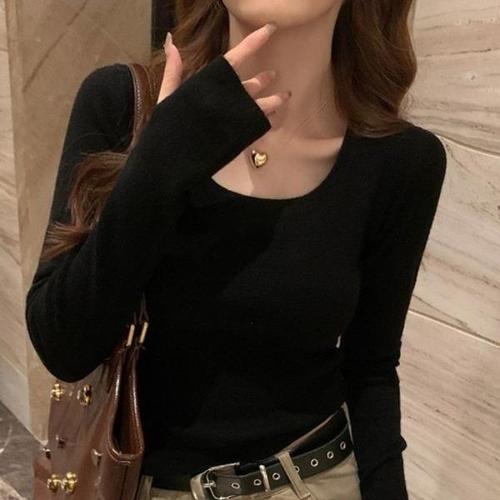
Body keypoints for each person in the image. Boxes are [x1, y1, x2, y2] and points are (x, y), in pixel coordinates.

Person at [25, 1, 447, 499]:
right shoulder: (122, 103)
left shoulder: (402, 161)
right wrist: (161, 161)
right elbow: (64, 346)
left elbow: (371, 366)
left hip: (318, 479)